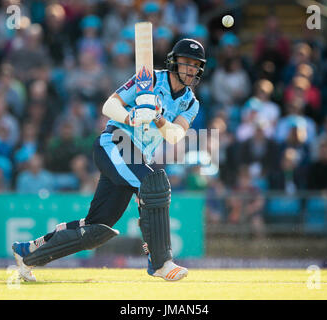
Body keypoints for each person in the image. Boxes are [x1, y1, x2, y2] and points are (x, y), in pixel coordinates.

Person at [12, 38, 206, 282]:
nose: (190, 69)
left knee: (96, 228)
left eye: (195, 65)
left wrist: (157, 117)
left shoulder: (190, 102)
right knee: (153, 183)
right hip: (114, 143)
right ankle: (160, 262)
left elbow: (176, 135)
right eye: (186, 62)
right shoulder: (150, 79)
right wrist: (132, 117)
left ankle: (27, 253)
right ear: (173, 61)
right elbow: (109, 106)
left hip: (135, 158)